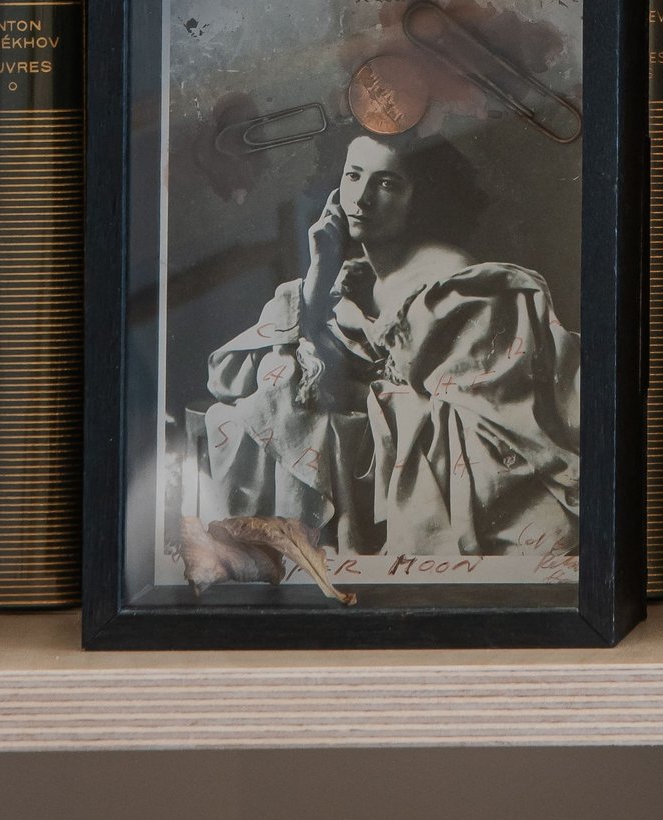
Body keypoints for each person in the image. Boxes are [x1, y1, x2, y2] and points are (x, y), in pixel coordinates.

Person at [202, 127, 579, 567]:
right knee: (254, 404)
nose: (361, 199)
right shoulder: (358, 277)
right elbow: (233, 375)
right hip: (376, 443)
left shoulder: (448, 281)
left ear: (421, 199)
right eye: (353, 176)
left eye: (386, 184)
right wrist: (319, 275)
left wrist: (356, 391)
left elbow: (470, 411)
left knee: (287, 404)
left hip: (471, 471)